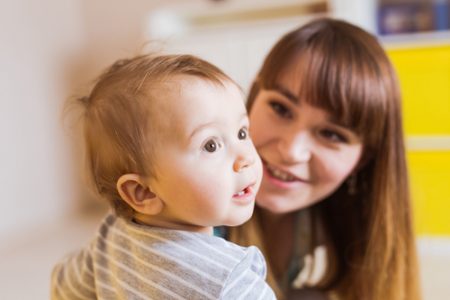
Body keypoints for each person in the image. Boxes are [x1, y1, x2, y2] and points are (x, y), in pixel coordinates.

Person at [51, 54, 276, 300]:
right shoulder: (230, 282)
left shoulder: (111, 237)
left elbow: (64, 285)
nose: (246, 157)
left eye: (242, 132)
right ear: (143, 192)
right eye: (211, 145)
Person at [225, 18, 421, 300]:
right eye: (280, 108)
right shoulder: (196, 221)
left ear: (363, 160)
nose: (292, 151)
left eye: (331, 134)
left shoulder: (336, 224)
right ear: (254, 97)